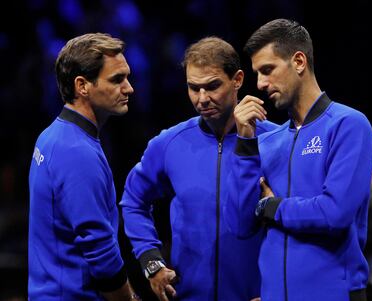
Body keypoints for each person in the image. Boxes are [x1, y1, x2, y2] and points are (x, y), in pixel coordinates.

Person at [224, 19, 372, 301]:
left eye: (267, 70)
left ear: (298, 61)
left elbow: (334, 214)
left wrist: (272, 207)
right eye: (257, 74)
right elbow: (239, 224)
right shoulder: (268, 140)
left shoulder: (349, 125)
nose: (260, 83)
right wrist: (246, 142)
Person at [120, 37, 278, 301]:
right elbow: (133, 200)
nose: (202, 99)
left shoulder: (276, 141)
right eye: (194, 88)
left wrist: (277, 290)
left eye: (212, 86)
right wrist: (151, 261)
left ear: (237, 80)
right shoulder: (169, 144)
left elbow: (295, 222)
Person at [28, 33, 139, 300]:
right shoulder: (76, 152)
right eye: (117, 80)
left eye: (127, 77)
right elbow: (100, 250)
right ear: (82, 85)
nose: (129, 88)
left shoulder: (52, 135)